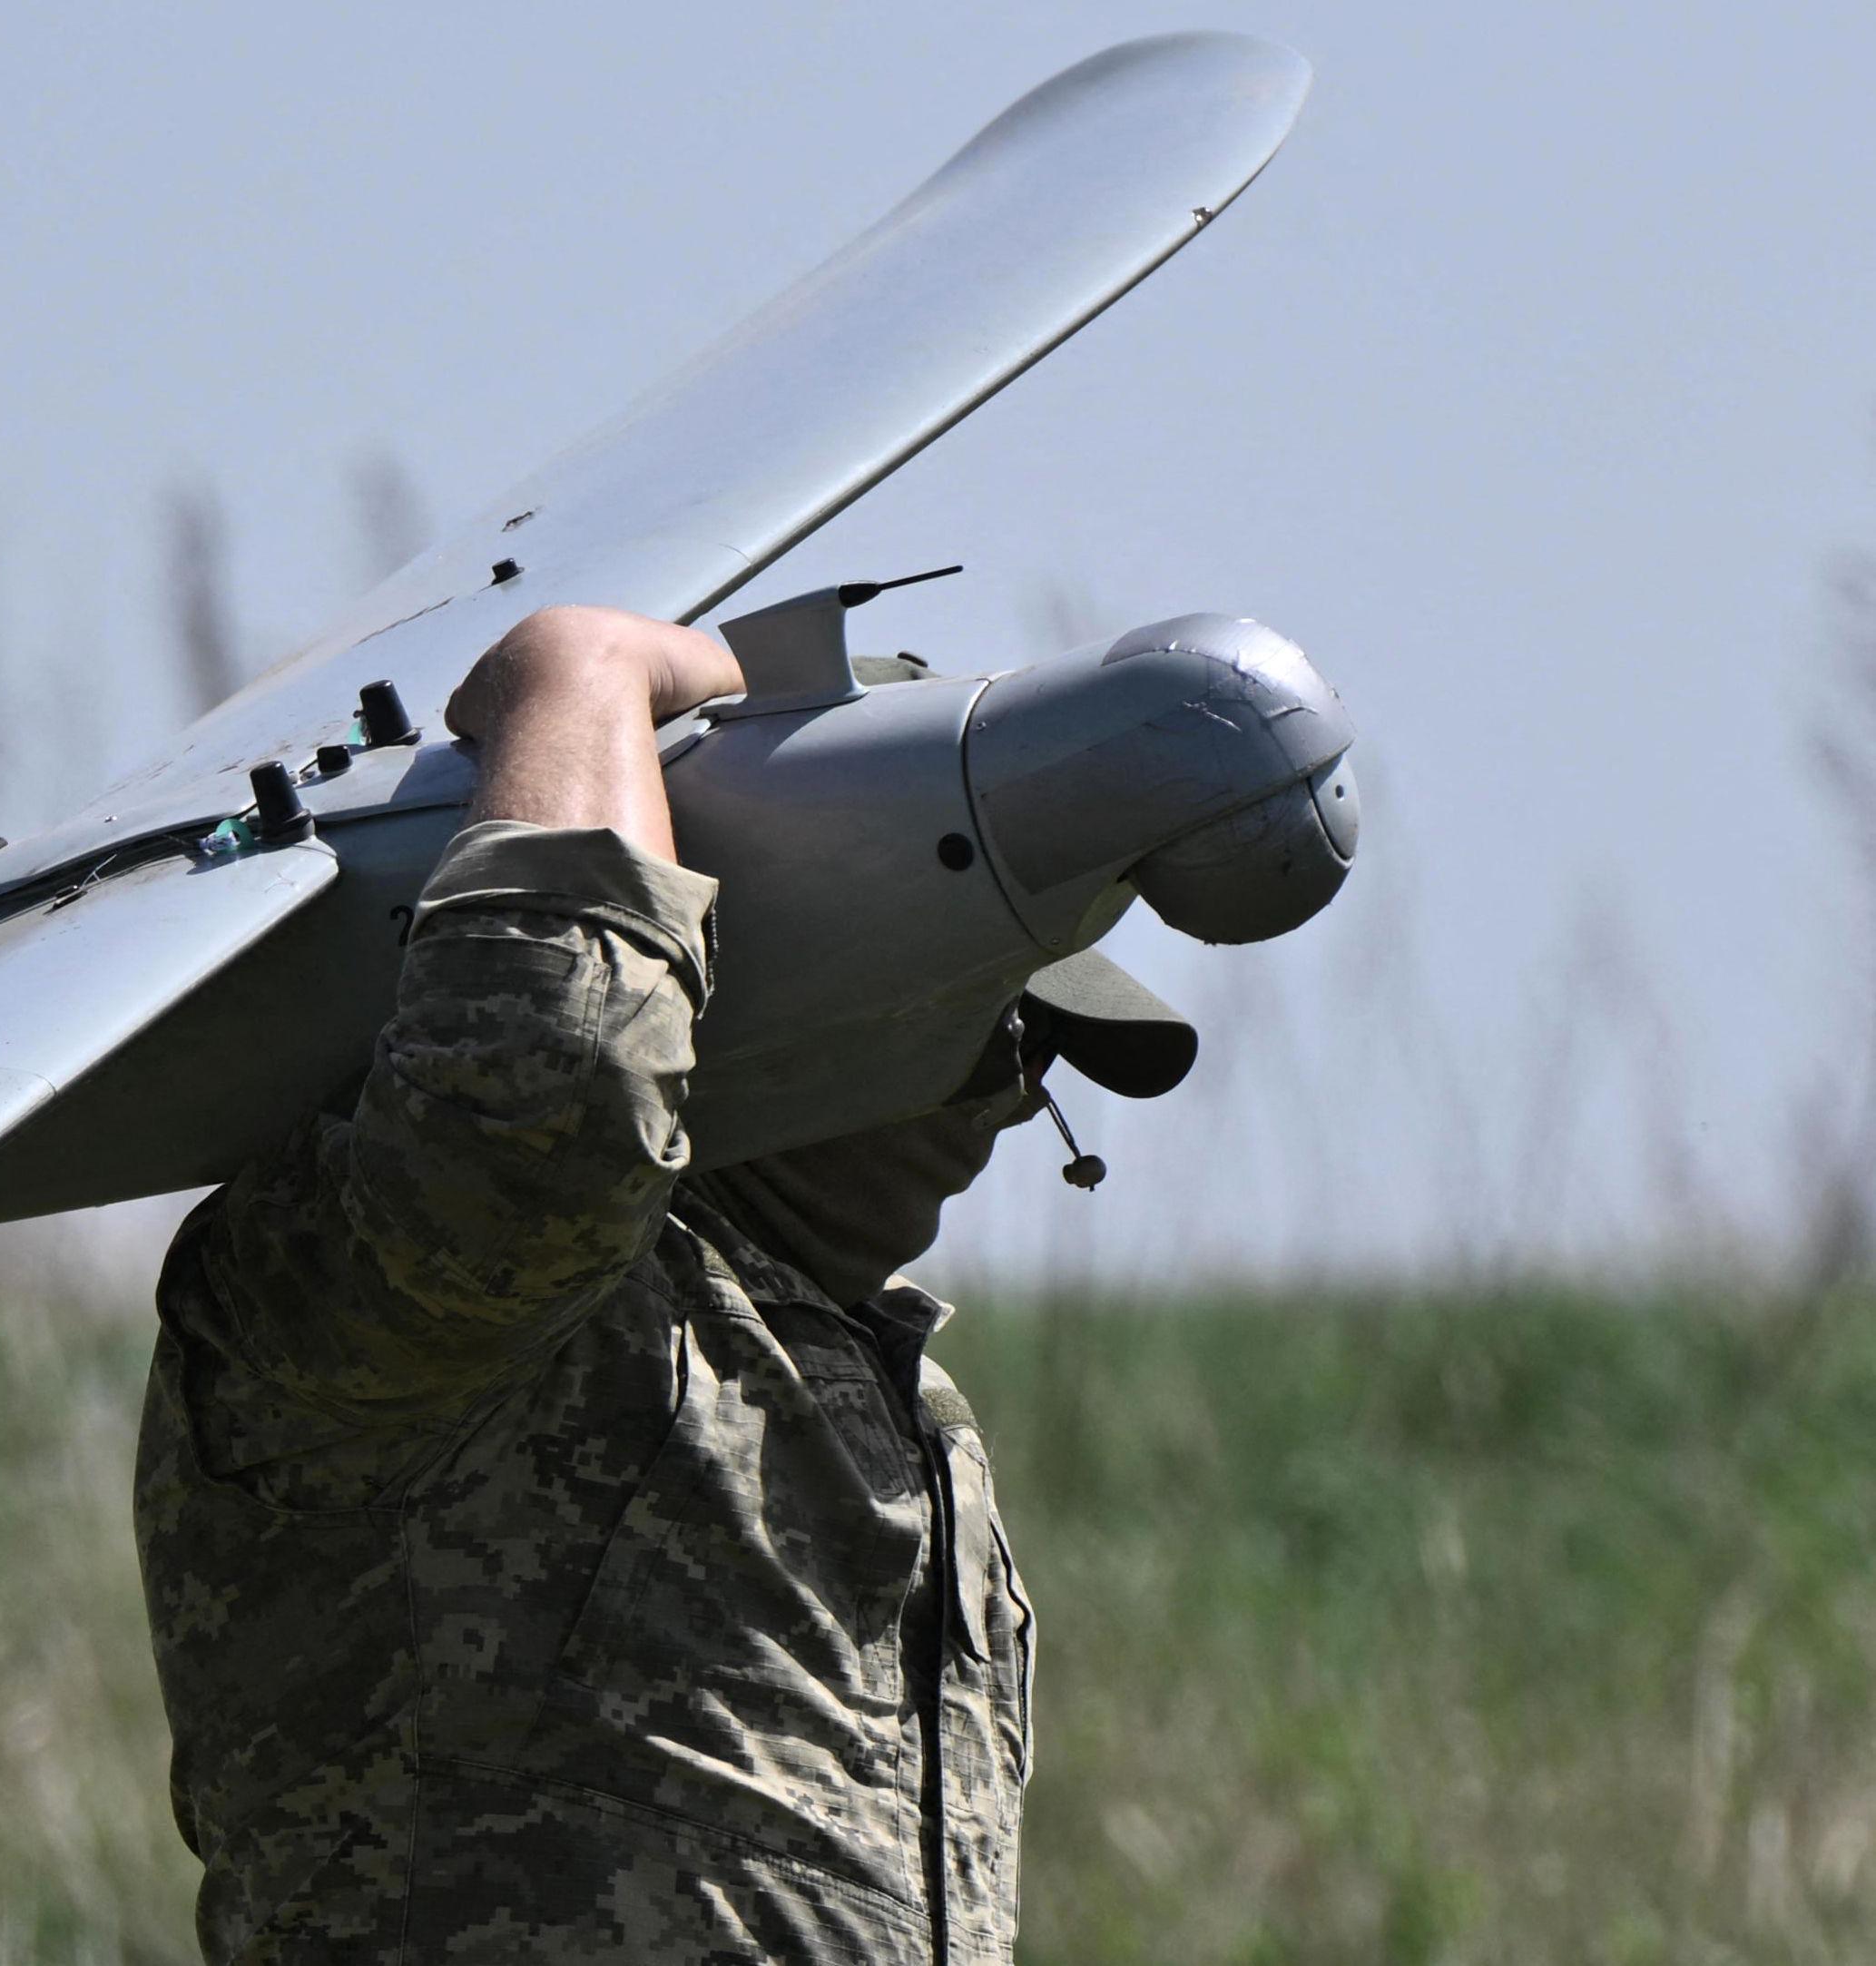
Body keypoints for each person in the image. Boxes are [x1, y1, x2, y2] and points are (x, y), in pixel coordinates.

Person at [136, 604, 1184, 1963]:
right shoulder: (453, 1308)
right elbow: (547, 1098)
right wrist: (586, 676)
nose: (1017, 1088)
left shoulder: (895, 1409)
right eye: (991, 1020)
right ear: (765, 970)